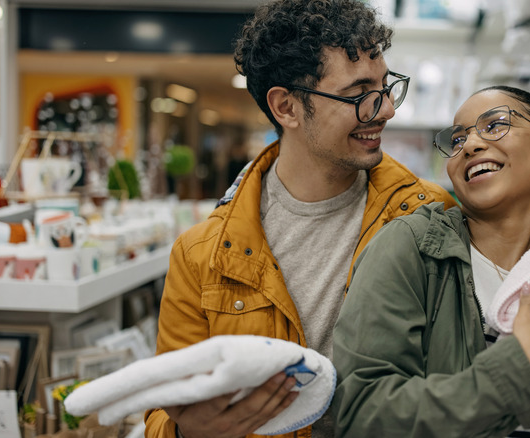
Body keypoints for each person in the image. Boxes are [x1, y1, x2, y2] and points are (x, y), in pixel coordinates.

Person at [143, 1, 457, 437]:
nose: (385, 110)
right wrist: (191, 430)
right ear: (286, 108)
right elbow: (163, 415)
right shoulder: (201, 255)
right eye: (359, 95)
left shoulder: (432, 216)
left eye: (386, 87)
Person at [332, 85, 530, 437]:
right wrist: (520, 371)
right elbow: (364, 416)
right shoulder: (412, 248)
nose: (469, 145)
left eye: (495, 125)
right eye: (457, 140)